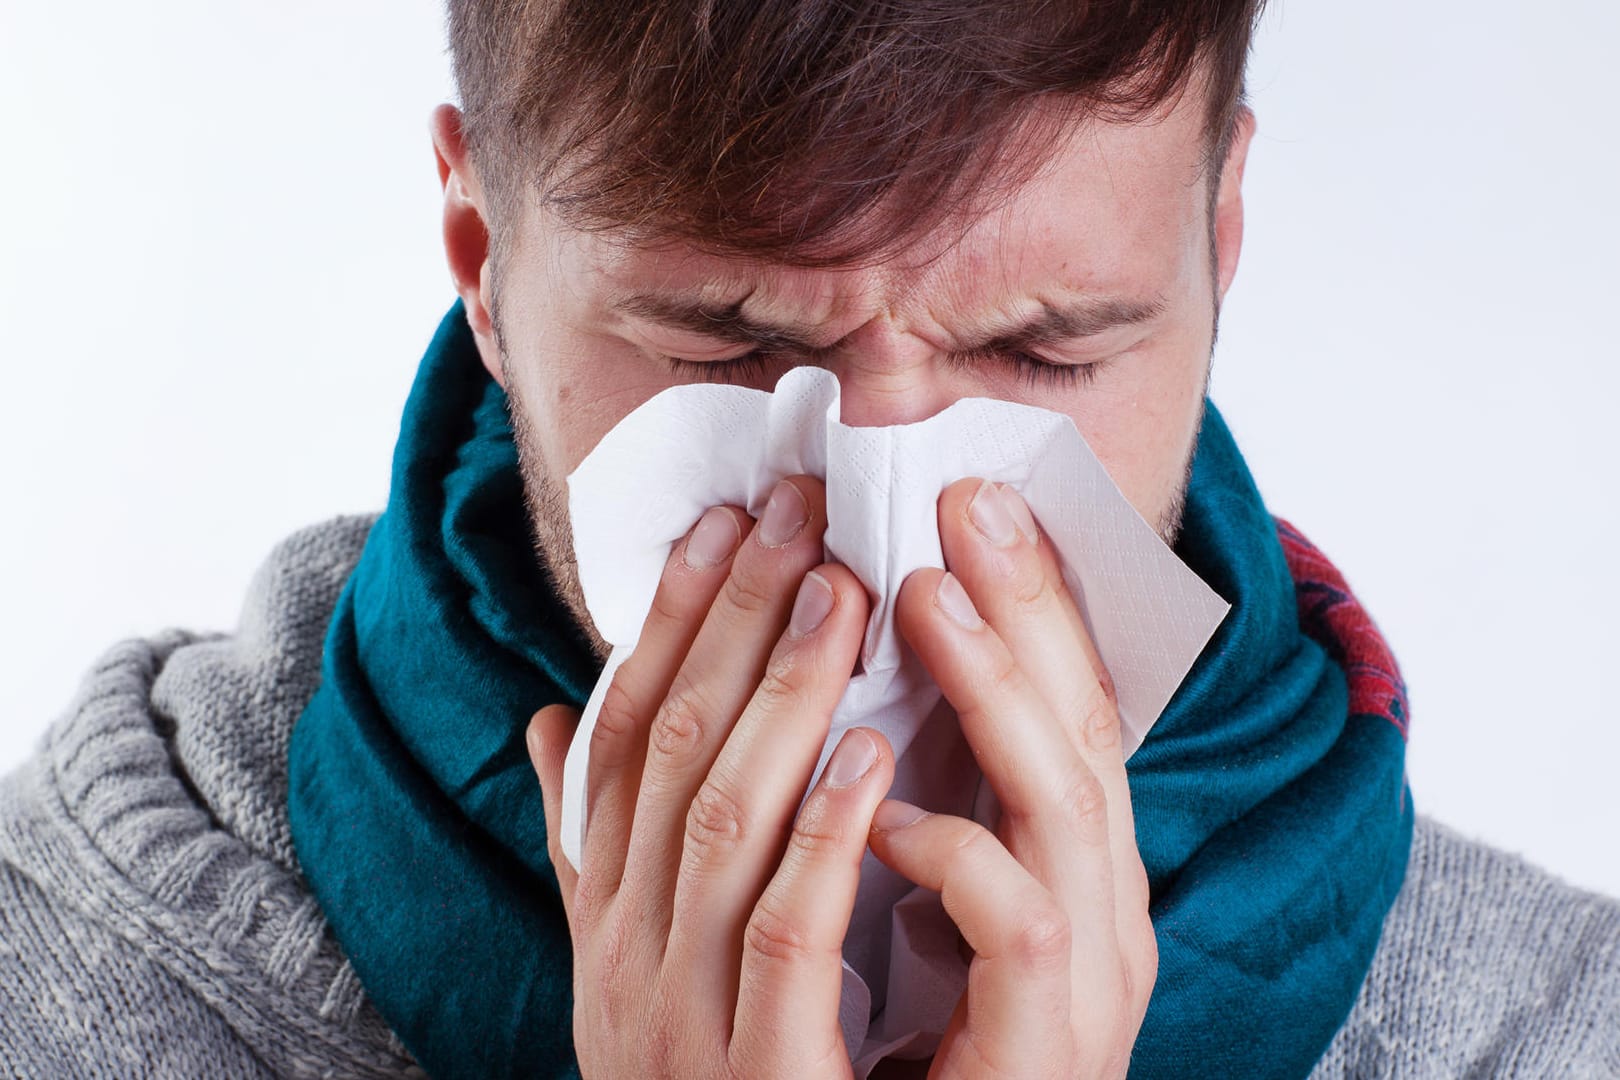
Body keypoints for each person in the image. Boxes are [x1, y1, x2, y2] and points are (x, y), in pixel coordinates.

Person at [2, 0, 1616, 1076]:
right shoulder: (46, 975)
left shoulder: (1548, 1030)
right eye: (725, 347)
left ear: (1222, 240)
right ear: (482, 255)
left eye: (1047, 352)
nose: (888, 549)